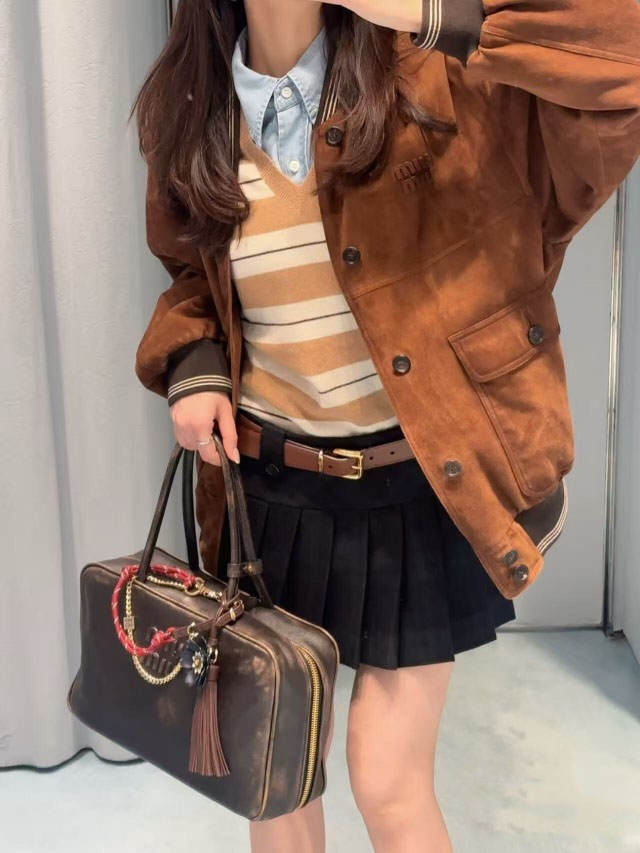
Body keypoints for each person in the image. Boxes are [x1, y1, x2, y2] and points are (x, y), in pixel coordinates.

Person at [130, 1, 640, 850]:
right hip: (270, 500)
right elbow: (188, 268)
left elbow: (622, 55)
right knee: (273, 771)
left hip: (415, 492)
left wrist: (436, 12)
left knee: (386, 775)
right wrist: (194, 366)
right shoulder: (194, 101)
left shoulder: (435, 73)